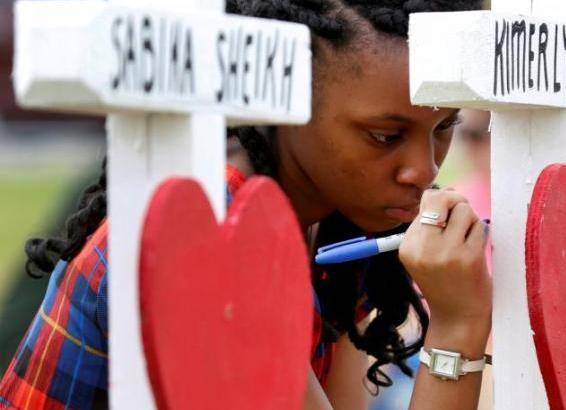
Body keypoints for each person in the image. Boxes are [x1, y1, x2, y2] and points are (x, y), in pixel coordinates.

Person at [0, 1, 492, 409]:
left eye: (445, 127)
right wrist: (458, 325)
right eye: (384, 136)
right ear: (291, 102)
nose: (424, 171)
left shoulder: (336, 214)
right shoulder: (217, 229)